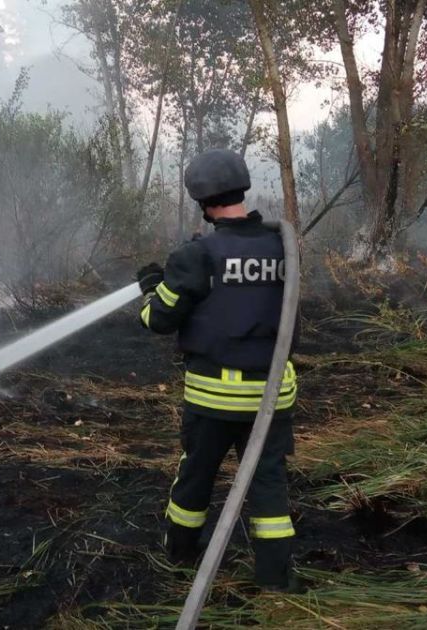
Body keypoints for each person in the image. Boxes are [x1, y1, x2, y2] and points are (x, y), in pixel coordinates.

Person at [135, 148, 299, 592]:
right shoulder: (282, 247)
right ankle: (276, 580)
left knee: (196, 476)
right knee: (268, 485)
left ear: (202, 202)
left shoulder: (197, 255)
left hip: (213, 398)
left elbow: (158, 320)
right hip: (272, 396)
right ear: (242, 188)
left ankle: (180, 555)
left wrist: (152, 289)